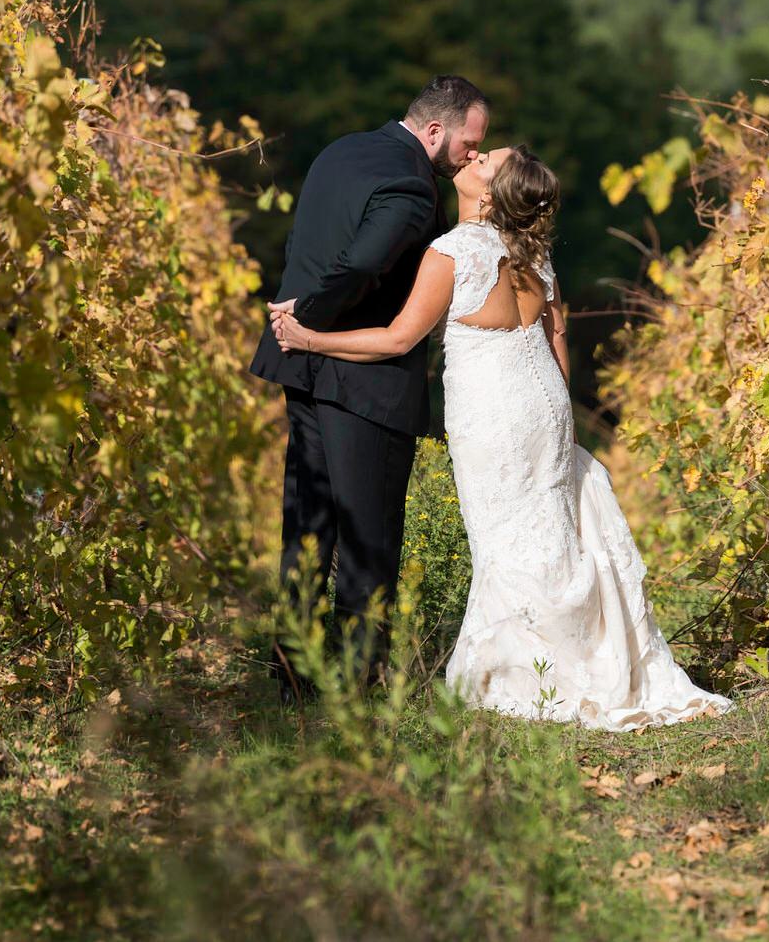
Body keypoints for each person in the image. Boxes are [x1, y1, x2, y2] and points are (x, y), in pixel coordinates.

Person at [272, 144, 732, 730]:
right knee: (548, 525)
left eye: (484, 161)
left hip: (493, 412)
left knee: (503, 537)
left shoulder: (451, 252)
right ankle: (580, 653)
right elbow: (558, 342)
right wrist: (555, 412)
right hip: (544, 402)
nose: (473, 157)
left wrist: (310, 339)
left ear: (487, 196)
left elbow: (396, 340)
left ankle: (534, 672)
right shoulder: (536, 257)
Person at [249, 76, 488, 688]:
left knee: (307, 527)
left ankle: (293, 676)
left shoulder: (341, 150)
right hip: (363, 380)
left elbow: (312, 243)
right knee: (368, 533)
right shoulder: (411, 188)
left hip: (300, 367)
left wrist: (294, 326)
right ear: (435, 131)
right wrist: (308, 320)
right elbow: (357, 264)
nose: (471, 156)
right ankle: (359, 685)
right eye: (468, 143)